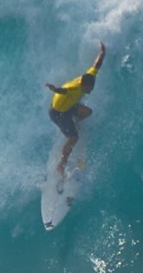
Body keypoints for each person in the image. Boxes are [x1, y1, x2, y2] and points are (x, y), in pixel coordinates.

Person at [45, 42, 106, 174]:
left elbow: (96, 66)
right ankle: (61, 164)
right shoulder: (73, 88)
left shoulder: (89, 77)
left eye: (91, 88)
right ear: (83, 85)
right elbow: (62, 91)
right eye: (88, 89)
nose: (90, 91)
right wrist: (54, 88)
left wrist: (102, 53)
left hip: (69, 107)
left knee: (87, 112)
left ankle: (74, 123)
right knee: (74, 138)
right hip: (58, 113)